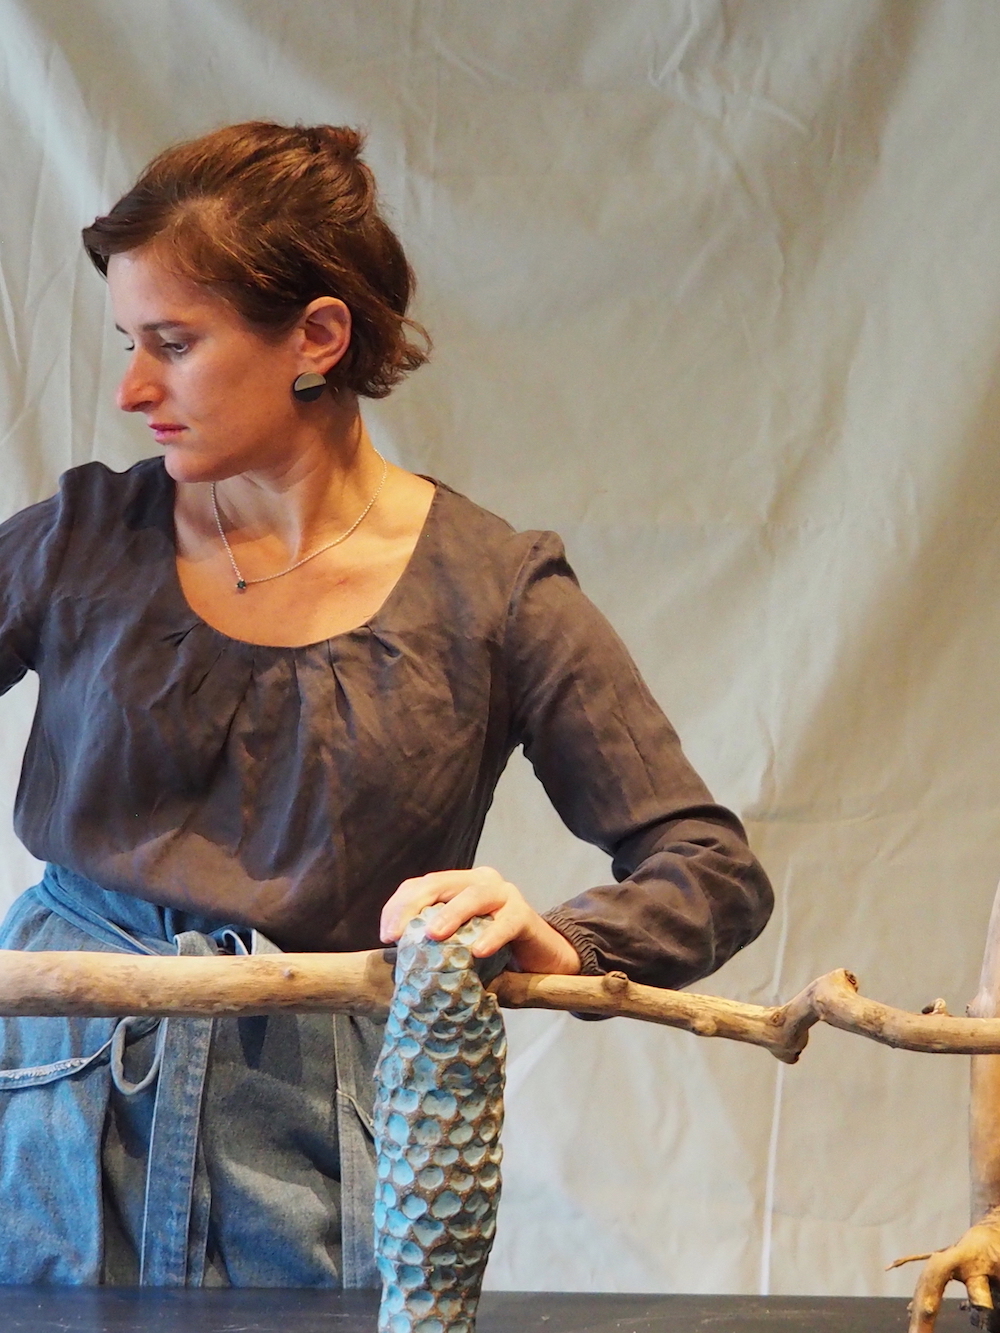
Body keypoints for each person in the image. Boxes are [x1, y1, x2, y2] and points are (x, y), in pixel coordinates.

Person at [0, 121, 772, 1288]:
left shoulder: (490, 591)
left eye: (174, 342)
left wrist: (559, 939)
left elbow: (710, 867)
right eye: (128, 341)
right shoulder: (82, 539)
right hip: (45, 1117)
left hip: (318, 1154)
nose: (131, 387)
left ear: (315, 337)